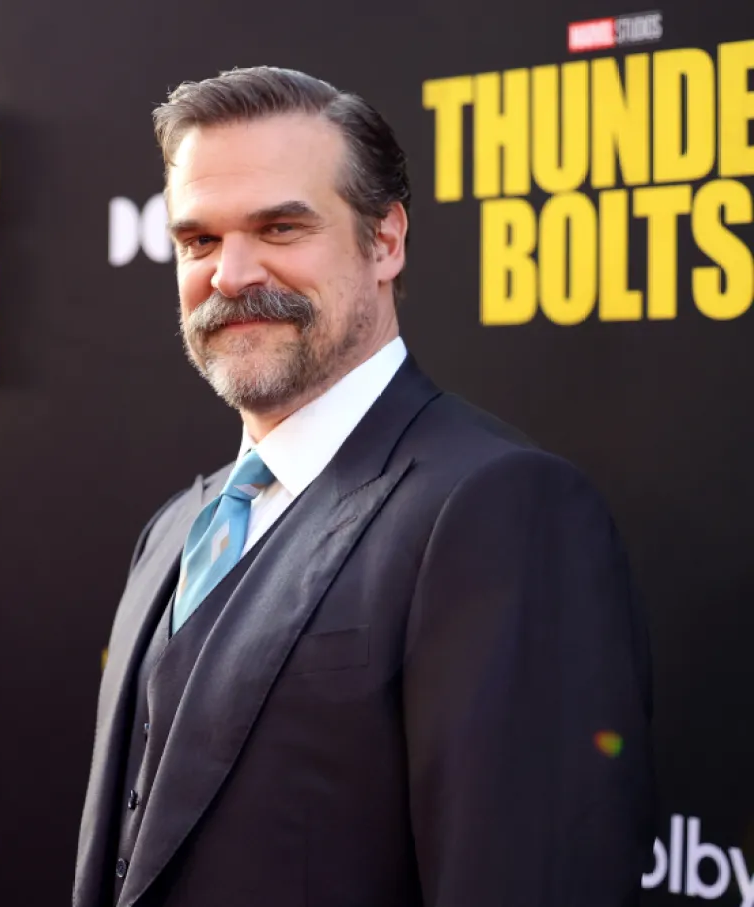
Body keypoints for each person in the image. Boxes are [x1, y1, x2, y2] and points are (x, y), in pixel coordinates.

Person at [73, 66, 655, 907]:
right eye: (198, 241)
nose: (230, 274)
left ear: (385, 241)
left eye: (279, 227)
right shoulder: (174, 530)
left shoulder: (499, 508)